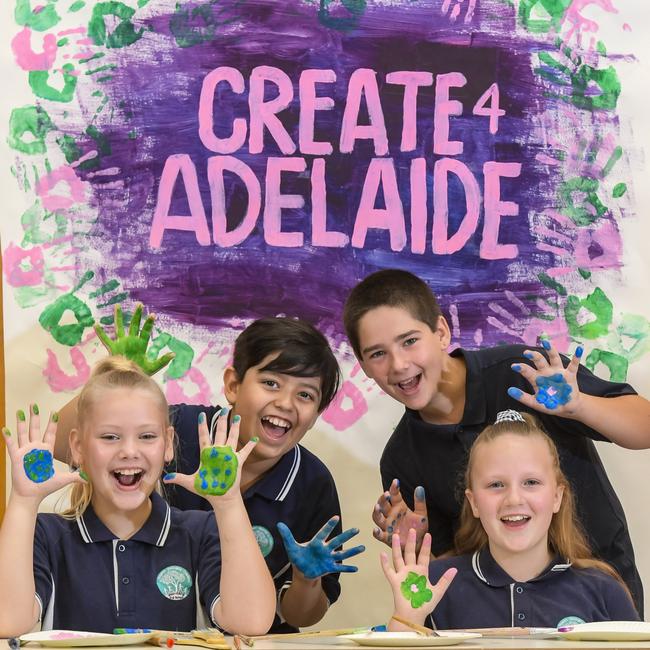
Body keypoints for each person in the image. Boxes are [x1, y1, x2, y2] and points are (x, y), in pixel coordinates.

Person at [343, 268, 650, 615]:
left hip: (598, 596)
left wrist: (578, 406)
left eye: (409, 341)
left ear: (441, 332)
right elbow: (453, 576)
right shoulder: (402, 458)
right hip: (503, 615)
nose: (398, 364)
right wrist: (419, 550)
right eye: (378, 354)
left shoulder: (524, 373)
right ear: (364, 366)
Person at [55, 310, 365, 633]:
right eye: (271, 383)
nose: (286, 403)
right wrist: (116, 381)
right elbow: (65, 446)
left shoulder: (312, 483)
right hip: (162, 631)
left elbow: (301, 615)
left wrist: (307, 581)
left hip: (254, 636)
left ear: (316, 414)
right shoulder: (180, 429)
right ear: (233, 385)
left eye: (305, 395)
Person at [0, 357, 276, 637]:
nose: (129, 451)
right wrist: (23, 502)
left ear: (168, 444)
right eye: (110, 437)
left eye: (146, 436)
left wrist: (228, 504)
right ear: (78, 447)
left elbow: (251, 622)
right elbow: (6, 621)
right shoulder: (46, 535)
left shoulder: (200, 531)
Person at [382, 411, 639, 630]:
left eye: (531, 482)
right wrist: (406, 620)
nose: (514, 499)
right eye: (496, 484)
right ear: (474, 503)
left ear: (557, 497)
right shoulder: (431, 583)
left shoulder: (604, 590)